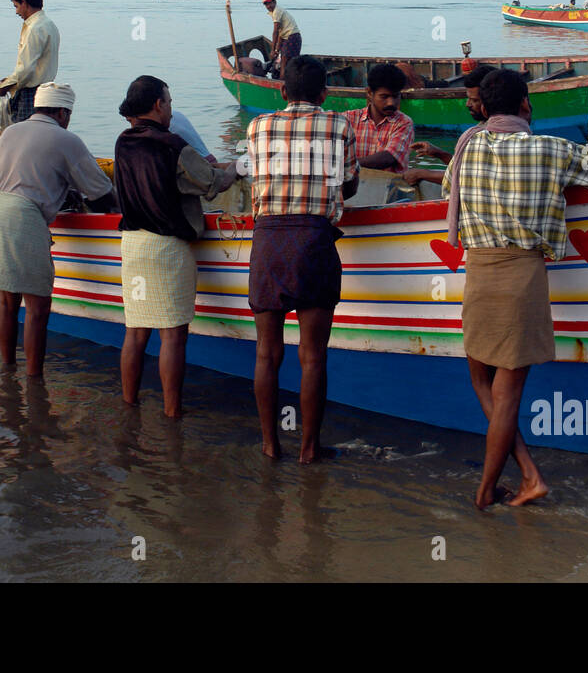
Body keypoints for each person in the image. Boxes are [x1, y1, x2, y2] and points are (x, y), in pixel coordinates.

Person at [442, 69, 588, 509]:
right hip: (522, 275)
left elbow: (450, 189)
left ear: (482, 109)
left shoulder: (467, 147)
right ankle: (507, 484)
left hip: (479, 271)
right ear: (526, 105)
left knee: (480, 377)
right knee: (506, 394)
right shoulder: (551, 149)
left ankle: (513, 480)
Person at [245, 56, 358, 463]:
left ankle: (270, 444)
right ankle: (309, 448)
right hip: (313, 240)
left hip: (270, 241)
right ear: (324, 94)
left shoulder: (258, 126)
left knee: (266, 353)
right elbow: (350, 185)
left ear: (281, 91)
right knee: (313, 355)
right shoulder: (339, 125)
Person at [114, 76, 239, 417]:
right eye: (168, 102)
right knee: (172, 336)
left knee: (136, 332)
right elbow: (212, 182)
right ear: (158, 105)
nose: (170, 108)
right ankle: (172, 413)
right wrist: (239, 168)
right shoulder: (173, 145)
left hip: (132, 245)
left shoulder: (123, 142)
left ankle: (130, 405)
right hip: (166, 249)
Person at [0, 82, 117, 379]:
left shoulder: (11, 132)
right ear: (63, 112)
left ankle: (8, 370)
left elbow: (27, 171)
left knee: (8, 300)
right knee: (38, 307)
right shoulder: (66, 139)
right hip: (22, 217)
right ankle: (34, 380)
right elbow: (102, 194)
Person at [402, 65, 496, 186]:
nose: (468, 104)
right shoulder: (484, 126)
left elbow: (469, 177)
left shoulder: (486, 135)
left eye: (474, 100)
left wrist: (422, 174)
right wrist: (439, 154)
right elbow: (464, 168)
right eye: (468, 99)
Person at [0, 0, 59, 124]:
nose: (17, 12)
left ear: (24, 2)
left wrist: (4, 87)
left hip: (31, 94)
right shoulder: (49, 24)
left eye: (16, 6)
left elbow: (26, 69)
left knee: (24, 133)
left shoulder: (34, 28)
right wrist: (10, 81)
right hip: (46, 91)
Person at [343, 63, 415, 172]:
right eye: (384, 97)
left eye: (396, 96)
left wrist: (348, 165)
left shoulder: (404, 123)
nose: (391, 103)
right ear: (369, 93)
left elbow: (389, 158)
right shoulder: (348, 118)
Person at [261, 0, 301, 77]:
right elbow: (280, 33)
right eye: (266, 4)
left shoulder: (277, 11)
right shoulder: (274, 12)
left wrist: (272, 50)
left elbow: (275, 31)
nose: (268, 6)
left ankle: (282, 82)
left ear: (275, 2)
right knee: (288, 61)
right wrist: (277, 49)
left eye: (270, 3)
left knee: (284, 62)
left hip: (292, 37)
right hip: (290, 37)